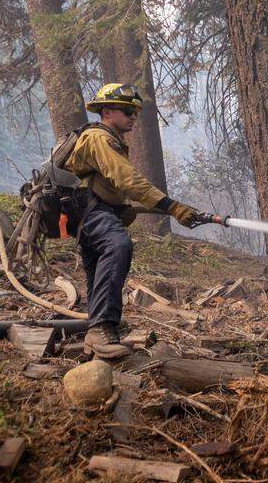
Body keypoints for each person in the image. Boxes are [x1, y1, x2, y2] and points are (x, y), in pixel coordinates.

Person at [65, 83, 203, 359]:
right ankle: (103, 328)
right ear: (106, 111)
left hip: (91, 210)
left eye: (135, 112)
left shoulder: (108, 139)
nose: (133, 117)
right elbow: (126, 179)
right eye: (127, 110)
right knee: (118, 247)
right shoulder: (98, 138)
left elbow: (110, 182)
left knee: (98, 267)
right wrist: (171, 207)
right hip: (92, 210)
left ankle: (98, 336)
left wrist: (122, 208)